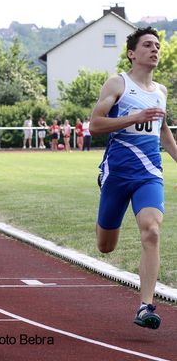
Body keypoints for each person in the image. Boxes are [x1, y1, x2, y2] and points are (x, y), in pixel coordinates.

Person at [89, 27, 177, 330]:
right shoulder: (118, 83)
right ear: (132, 53)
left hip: (149, 173)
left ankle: (145, 305)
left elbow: (163, 133)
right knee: (105, 246)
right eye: (148, 45)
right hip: (117, 174)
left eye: (157, 46)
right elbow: (95, 125)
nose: (155, 50)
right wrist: (132, 117)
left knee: (152, 231)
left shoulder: (161, 92)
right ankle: (106, 219)